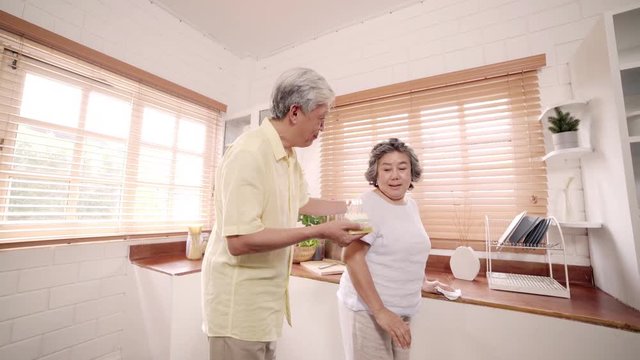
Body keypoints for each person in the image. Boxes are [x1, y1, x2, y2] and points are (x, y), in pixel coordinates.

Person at [201, 67, 365, 360]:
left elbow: (302, 202)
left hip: (266, 307)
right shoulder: (249, 153)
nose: (322, 128)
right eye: (320, 119)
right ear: (294, 112)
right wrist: (318, 231)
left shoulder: (288, 155)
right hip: (238, 309)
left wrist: (354, 204)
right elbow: (239, 240)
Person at [337, 138, 453, 360]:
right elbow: (351, 257)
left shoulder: (411, 204)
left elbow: (407, 250)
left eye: (402, 168)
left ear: (412, 172)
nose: (395, 175)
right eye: (387, 168)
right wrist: (380, 312)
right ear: (375, 173)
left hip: (401, 310)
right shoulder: (363, 204)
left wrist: (422, 282)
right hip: (368, 311)